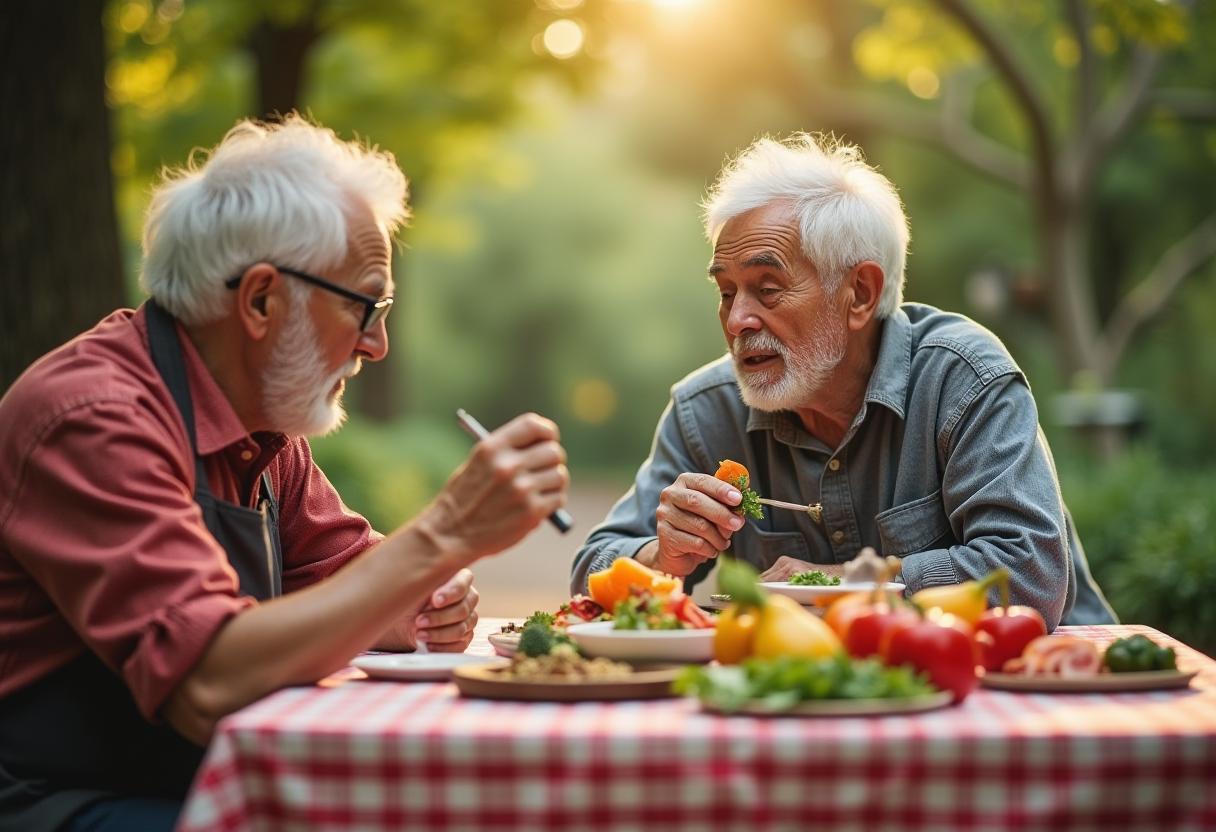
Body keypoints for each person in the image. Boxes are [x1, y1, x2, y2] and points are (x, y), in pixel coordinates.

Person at [0, 116, 569, 832]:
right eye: (365, 305)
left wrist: (423, 599)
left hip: (198, 776)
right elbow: (207, 683)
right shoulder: (90, 417)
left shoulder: (261, 423)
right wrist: (446, 534)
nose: (378, 343)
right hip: (60, 801)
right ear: (262, 299)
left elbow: (351, 582)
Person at [571, 132, 1114, 630]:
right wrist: (660, 558)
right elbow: (590, 573)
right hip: (825, 697)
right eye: (727, 292)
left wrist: (829, 583)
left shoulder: (962, 378)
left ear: (859, 294)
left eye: (768, 287)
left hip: (1047, 689)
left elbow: (1028, 575)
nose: (737, 321)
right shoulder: (705, 411)